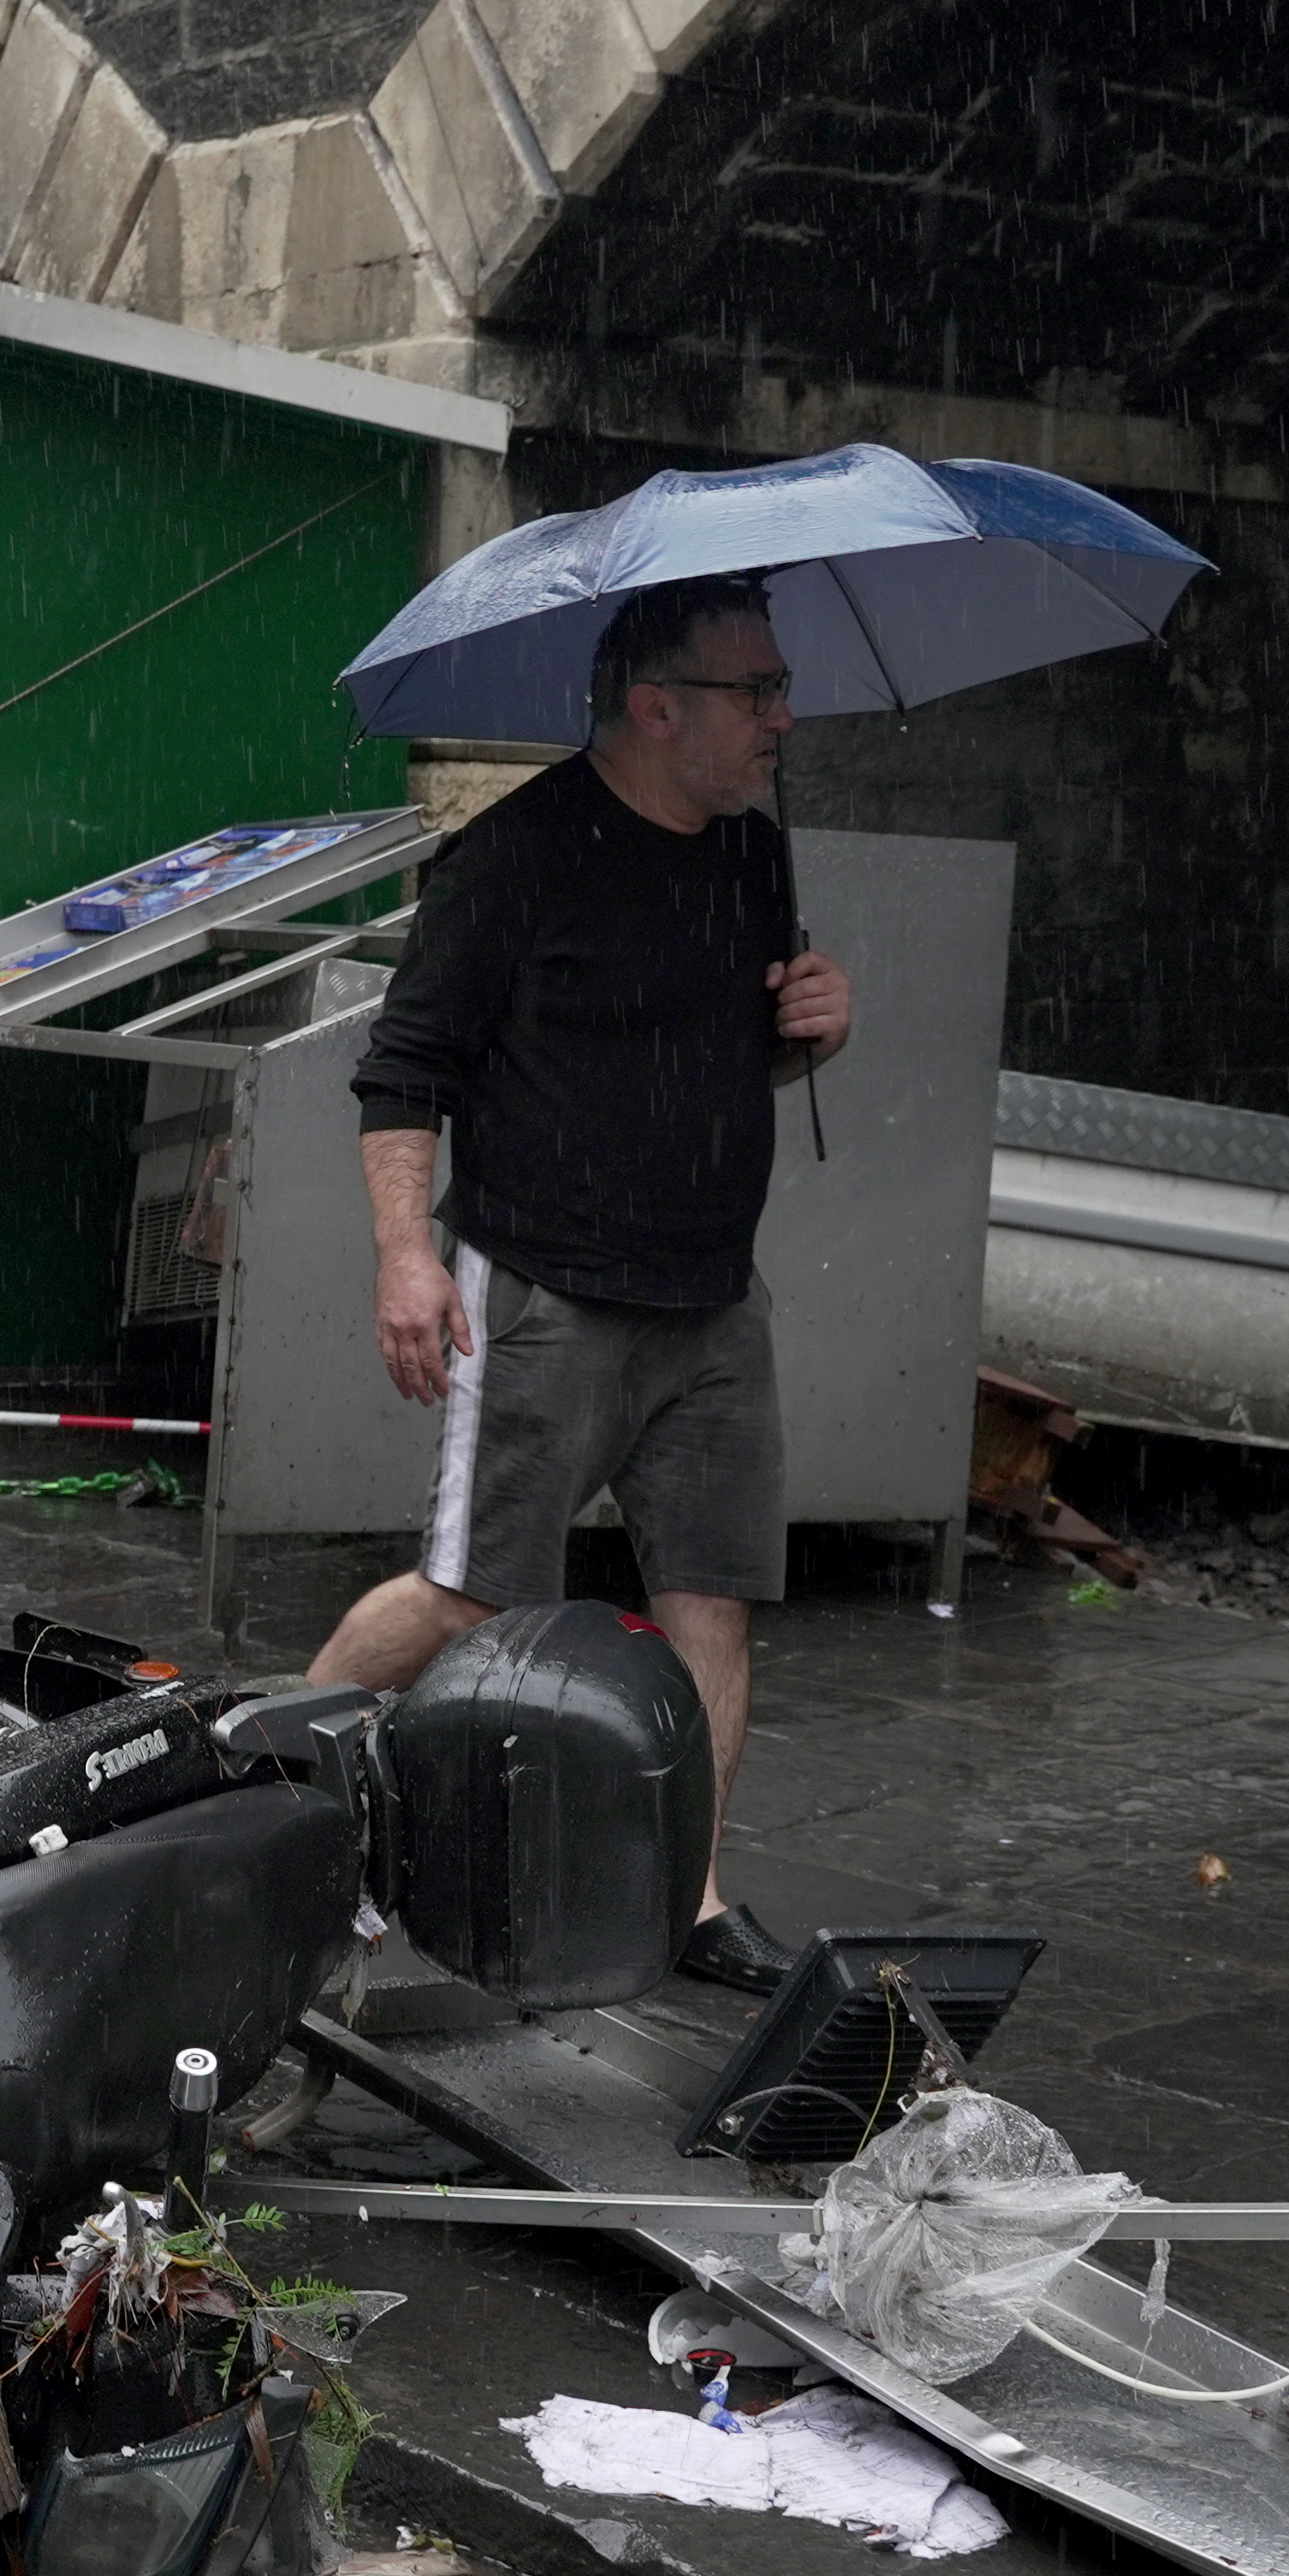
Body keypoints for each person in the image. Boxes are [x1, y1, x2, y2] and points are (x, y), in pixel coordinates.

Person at [309, 571, 850, 1993]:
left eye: (780, 688)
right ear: (656, 704)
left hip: (714, 1296)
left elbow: (733, 1054)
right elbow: (399, 1072)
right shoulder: (516, 856)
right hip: (543, 1286)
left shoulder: (748, 852)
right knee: (468, 1598)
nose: (782, 717)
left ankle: (686, 1899)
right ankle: (273, 1791)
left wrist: (810, 1030)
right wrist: (406, 1256)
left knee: (710, 1598)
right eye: (758, 692)